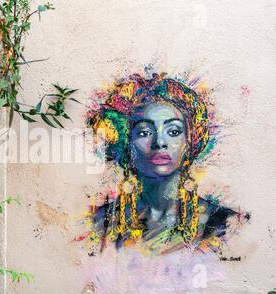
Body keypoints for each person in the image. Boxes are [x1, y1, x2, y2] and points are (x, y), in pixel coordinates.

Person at [87, 72, 243, 254]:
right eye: (145, 132)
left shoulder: (222, 224)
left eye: (174, 131)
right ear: (126, 143)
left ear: (190, 142)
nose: (159, 142)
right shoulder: (100, 223)